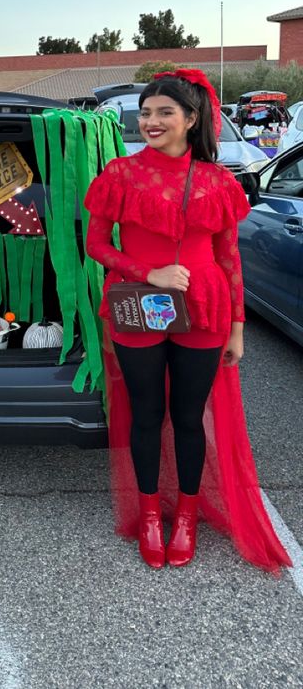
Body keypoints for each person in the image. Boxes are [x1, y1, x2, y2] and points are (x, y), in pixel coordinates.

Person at [84, 68, 291, 572]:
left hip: (205, 309)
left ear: (191, 118)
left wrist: (238, 328)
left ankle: (190, 515)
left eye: (164, 113)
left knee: (189, 417)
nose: (151, 121)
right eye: (146, 113)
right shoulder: (119, 174)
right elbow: (96, 245)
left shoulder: (218, 181)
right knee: (147, 413)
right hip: (138, 304)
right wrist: (147, 271)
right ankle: (152, 513)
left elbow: (229, 259)